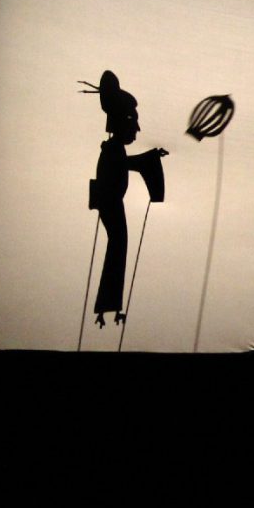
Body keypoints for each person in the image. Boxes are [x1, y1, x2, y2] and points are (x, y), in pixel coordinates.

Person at [87, 71, 168, 328]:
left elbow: (132, 163)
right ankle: (107, 305)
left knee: (119, 243)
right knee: (118, 243)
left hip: (111, 202)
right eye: (132, 121)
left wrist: (150, 157)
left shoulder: (114, 150)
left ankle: (108, 305)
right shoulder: (113, 151)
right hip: (111, 203)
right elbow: (133, 163)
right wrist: (150, 159)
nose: (136, 128)